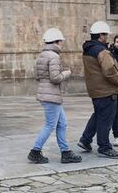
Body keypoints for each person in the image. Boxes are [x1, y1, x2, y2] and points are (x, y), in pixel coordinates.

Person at [28, 28, 82, 164]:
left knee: (62, 123)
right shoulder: (54, 56)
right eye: (61, 42)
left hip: (47, 94)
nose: (62, 44)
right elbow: (55, 78)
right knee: (50, 125)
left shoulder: (42, 55)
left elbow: (39, 76)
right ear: (56, 42)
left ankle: (65, 152)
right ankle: (35, 151)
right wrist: (67, 73)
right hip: (51, 95)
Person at [77, 21, 118, 159]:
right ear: (101, 35)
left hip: (96, 89)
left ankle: (85, 140)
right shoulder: (101, 51)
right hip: (106, 90)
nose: (107, 37)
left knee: (98, 114)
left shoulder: (88, 49)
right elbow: (109, 70)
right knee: (106, 119)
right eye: (106, 35)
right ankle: (104, 147)